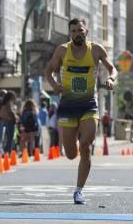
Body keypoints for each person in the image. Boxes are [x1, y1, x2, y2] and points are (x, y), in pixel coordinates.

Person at [44, 18, 117, 205]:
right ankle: (73, 142)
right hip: (68, 105)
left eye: (81, 30)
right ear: (70, 33)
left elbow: (112, 68)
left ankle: (78, 191)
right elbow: (48, 71)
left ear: (87, 31)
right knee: (70, 154)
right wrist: (54, 85)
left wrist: (111, 79)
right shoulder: (62, 50)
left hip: (88, 104)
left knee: (86, 145)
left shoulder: (96, 50)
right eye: (74, 31)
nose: (77, 33)